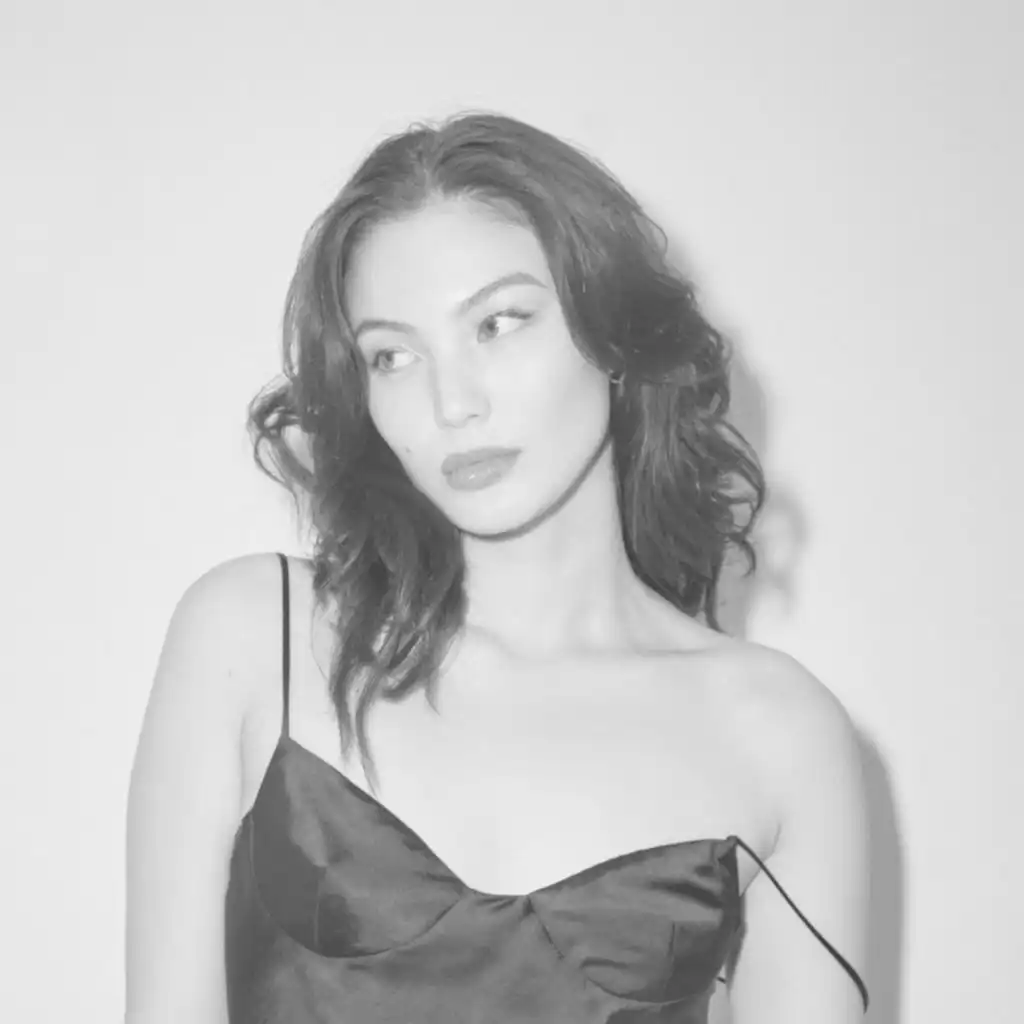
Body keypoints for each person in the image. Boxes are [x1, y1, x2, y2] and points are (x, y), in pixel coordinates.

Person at [125, 112, 871, 1024]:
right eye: (393, 355)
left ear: (612, 335)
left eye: (499, 323)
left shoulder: (780, 733)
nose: (452, 402)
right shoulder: (253, 636)